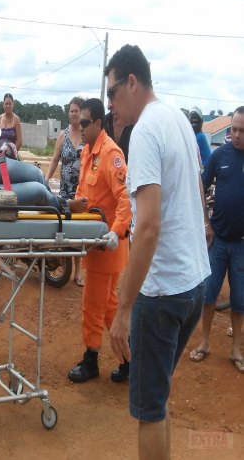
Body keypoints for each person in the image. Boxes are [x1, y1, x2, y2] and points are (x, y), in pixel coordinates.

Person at [107, 45, 210, 460]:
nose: (110, 103)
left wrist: (124, 308)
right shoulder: (179, 121)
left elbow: (147, 227)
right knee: (159, 398)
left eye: (112, 92)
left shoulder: (147, 131)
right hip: (193, 283)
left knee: (149, 410)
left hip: (163, 291)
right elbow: (199, 194)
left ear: (132, 82)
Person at [68, 98, 132, 384]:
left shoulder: (110, 154)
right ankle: (130, 359)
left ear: (97, 123)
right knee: (108, 307)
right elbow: (83, 191)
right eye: (78, 122)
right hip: (94, 244)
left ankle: (91, 359)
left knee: (94, 306)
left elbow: (125, 199)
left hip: (108, 246)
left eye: (83, 122)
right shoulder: (88, 153)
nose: (78, 126)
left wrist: (115, 233)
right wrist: (74, 205)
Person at [189, 106, 244, 373]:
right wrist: (206, 223)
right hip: (218, 240)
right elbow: (201, 184)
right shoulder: (219, 155)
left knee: (240, 299)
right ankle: (205, 342)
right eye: (233, 129)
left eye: (241, 130)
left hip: (242, 244)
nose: (235, 134)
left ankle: (236, 349)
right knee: (209, 295)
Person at [45, 96, 85, 287]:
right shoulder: (63, 134)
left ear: (81, 112)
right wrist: (45, 180)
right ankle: (61, 264)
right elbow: (54, 159)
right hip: (65, 189)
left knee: (79, 230)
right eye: (71, 110)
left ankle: (78, 271)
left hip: (82, 189)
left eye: (76, 110)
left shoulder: (86, 134)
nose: (73, 113)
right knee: (65, 225)